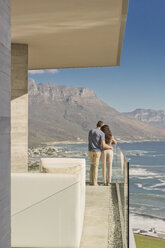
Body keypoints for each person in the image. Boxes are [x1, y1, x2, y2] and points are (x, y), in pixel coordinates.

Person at [88, 121, 113, 186]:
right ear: (101, 126)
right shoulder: (101, 133)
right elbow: (104, 145)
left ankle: (91, 181)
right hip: (97, 151)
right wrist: (110, 147)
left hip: (90, 150)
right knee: (96, 167)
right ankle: (95, 183)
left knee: (91, 166)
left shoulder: (91, 131)